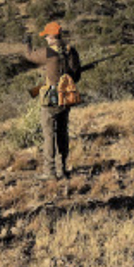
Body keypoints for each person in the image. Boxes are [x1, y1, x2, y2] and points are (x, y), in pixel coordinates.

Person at [23, 21, 81, 180]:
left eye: (47, 36)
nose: (46, 39)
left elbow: (29, 56)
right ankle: (62, 169)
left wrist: (27, 44)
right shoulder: (71, 51)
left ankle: (49, 172)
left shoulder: (49, 52)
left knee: (49, 135)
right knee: (63, 133)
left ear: (51, 36)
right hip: (66, 98)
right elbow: (76, 75)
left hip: (50, 100)